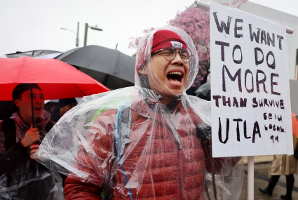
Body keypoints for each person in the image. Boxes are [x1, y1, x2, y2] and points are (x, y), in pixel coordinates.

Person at [36, 25, 243, 200]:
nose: (179, 60)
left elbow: (217, 167)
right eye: (167, 53)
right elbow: (79, 188)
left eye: (183, 55)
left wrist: (233, 140)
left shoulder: (197, 120)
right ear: (143, 66)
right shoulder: (113, 123)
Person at [0, 83, 63, 200]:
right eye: (32, 97)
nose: (39, 101)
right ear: (17, 102)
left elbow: (66, 166)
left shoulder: (51, 128)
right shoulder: (4, 128)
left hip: (47, 195)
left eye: (41, 96)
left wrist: (47, 158)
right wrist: (22, 145)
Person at [259, 113, 298, 200]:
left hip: (289, 152)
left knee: (288, 173)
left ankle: (287, 194)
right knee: (277, 170)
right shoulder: (290, 121)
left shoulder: (293, 124)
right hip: (284, 150)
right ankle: (270, 189)